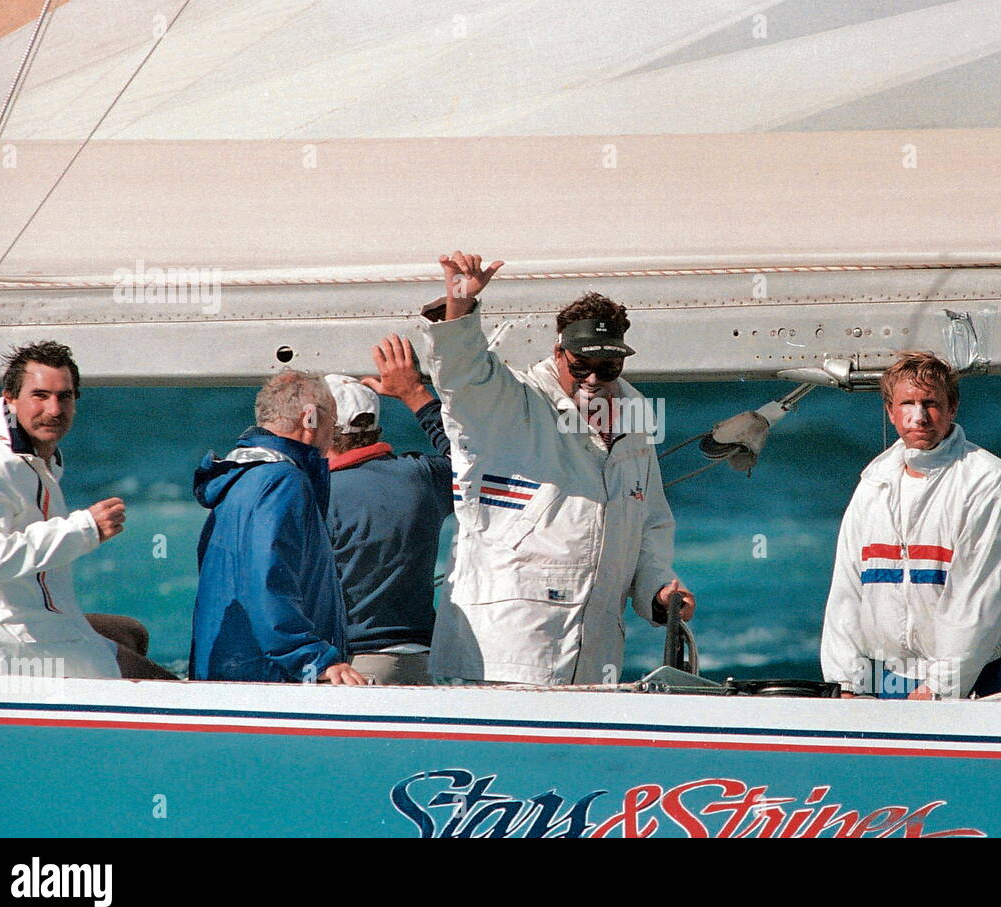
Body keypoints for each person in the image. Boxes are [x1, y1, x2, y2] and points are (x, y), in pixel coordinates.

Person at [414, 250, 694, 686]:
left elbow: (648, 522)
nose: (593, 379)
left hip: (596, 656)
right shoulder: (513, 402)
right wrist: (460, 307)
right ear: (558, 351)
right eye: (580, 365)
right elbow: (460, 376)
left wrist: (658, 590)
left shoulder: (636, 413)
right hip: (503, 650)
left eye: (609, 367)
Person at [821, 351, 1001, 699]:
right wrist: (846, 682)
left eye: (931, 403)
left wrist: (940, 686)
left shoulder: (991, 481)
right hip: (886, 678)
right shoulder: (873, 483)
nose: (918, 417)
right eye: (907, 403)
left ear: (953, 408)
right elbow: (846, 590)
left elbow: (980, 597)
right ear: (890, 411)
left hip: (980, 676)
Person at [0, 341, 172, 679]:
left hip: (41, 625)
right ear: (10, 398)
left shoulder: (37, 464)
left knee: (131, 632)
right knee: (164, 688)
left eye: (65, 396)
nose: (55, 409)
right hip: (12, 645)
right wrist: (84, 529)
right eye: (40, 395)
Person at [190, 371, 364, 685]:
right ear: (310, 418)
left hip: (226, 671)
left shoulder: (237, 479)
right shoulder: (283, 481)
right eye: (332, 424)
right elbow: (267, 578)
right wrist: (313, 658)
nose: (333, 435)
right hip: (269, 680)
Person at [321, 339, 454, 685]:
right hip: (424, 663)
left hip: (351, 670)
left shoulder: (313, 495)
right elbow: (478, 461)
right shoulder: (422, 476)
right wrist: (415, 396)